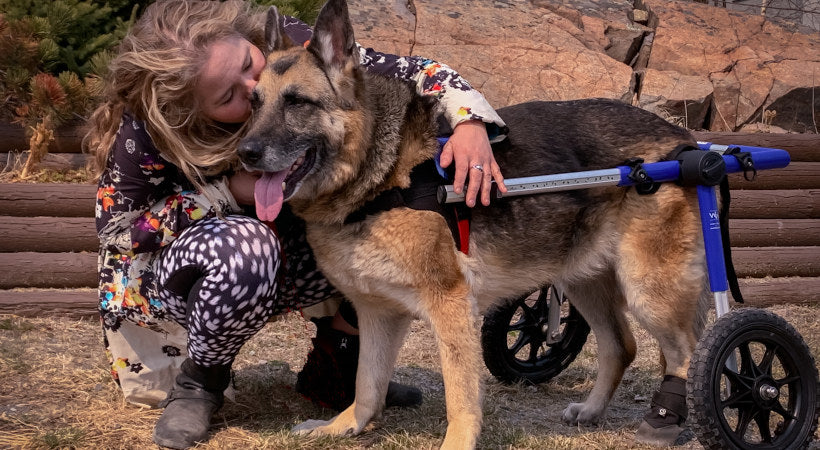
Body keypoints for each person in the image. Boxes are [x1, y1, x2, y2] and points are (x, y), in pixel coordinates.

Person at [84, 0, 507, 448]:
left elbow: (417, 70)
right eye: (229, 96)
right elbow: (118, 233)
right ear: (186, 110)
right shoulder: (147, 130)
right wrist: (225, 194)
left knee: (353, 226)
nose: (253, 87)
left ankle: (339, 365)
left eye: (249, 63)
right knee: (246, 246)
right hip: (171, 276)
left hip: (274, 243)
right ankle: (198, 383)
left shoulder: (287, 46)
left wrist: (469, 120)